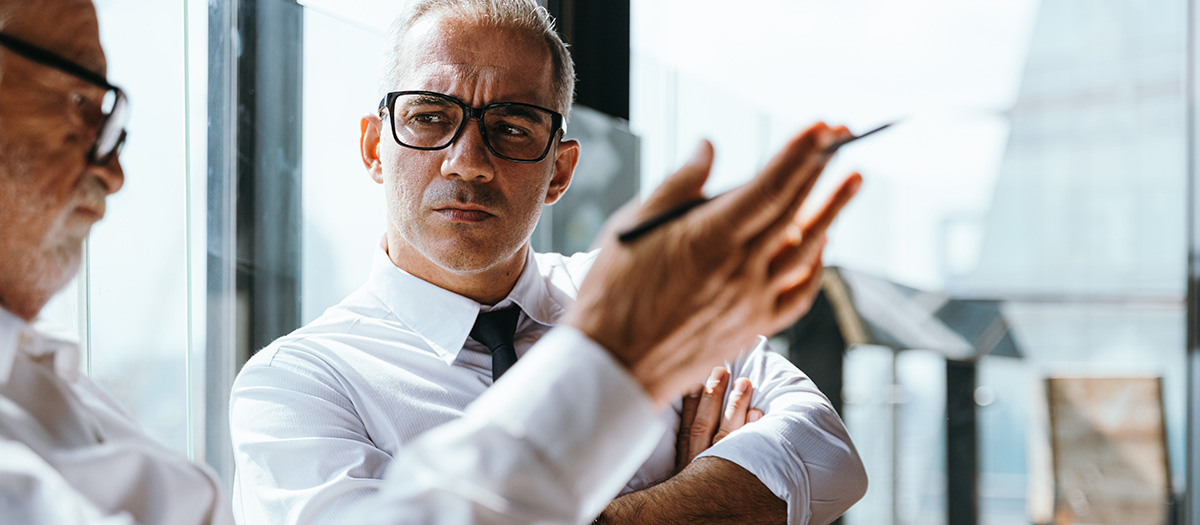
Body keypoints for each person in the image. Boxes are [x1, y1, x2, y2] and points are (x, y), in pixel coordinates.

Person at [0, 0, 862, 523]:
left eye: (512, 127)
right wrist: (702, 483)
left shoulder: (624, 288)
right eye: (428, 118)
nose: (466, 161)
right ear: (376, 145)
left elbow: (828, 451)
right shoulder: (297, 382)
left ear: (560, 169)